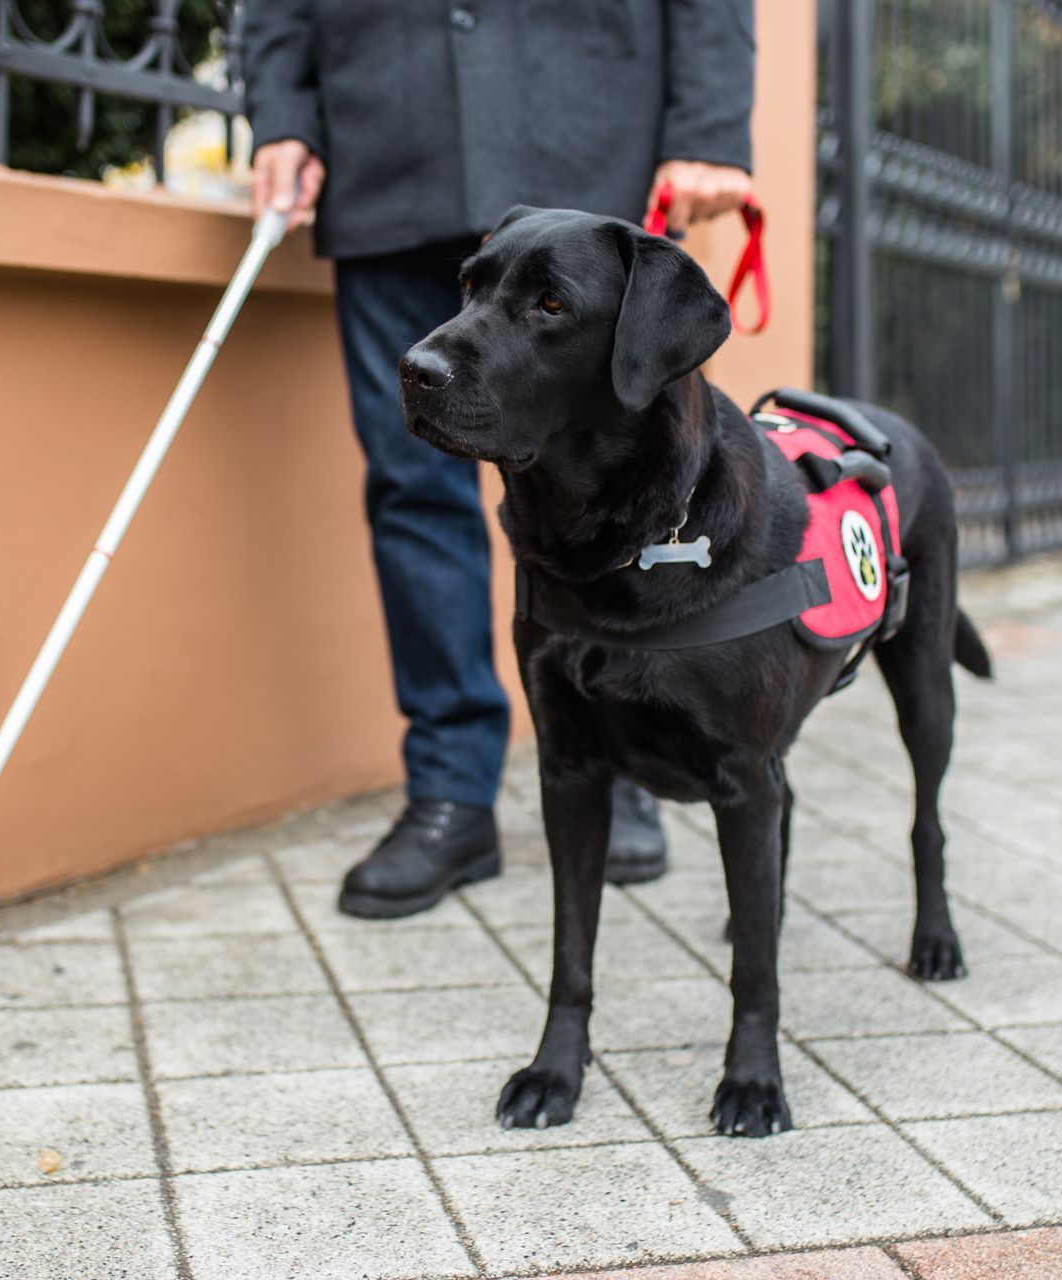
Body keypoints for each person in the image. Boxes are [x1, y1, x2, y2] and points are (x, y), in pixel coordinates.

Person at [243, 0, 756, 919]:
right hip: (389, 147)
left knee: (620, 486)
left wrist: (712, 122)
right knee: (411, 485)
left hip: (586, 126)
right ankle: (450, 792)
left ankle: (625, 757)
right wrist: (280, 108)